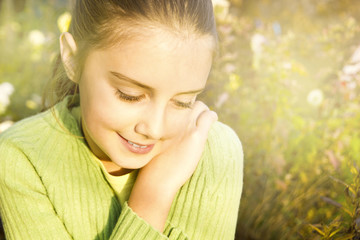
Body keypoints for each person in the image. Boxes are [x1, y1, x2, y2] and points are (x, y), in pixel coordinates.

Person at [0, 0, 243, 239]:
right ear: (72, 59)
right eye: (130, 95)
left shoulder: (214, 150)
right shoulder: (22, 158)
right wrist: (154, 194)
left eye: (183, 102)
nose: (154, 129)